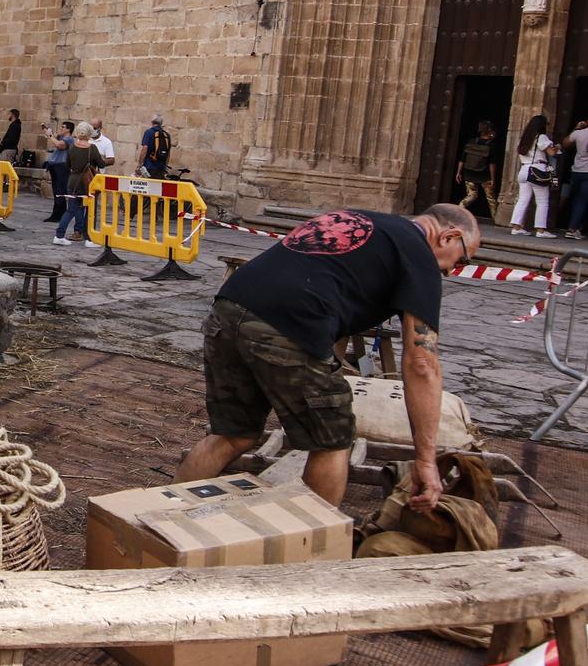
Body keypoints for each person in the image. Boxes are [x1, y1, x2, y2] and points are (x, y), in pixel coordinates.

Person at [176, 204, 481, 509]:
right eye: (463, 258)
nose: (454, 270)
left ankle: (156, 521)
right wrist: (426, 461)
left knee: (233, 434)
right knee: (333, 441)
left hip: (229, 306)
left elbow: (328, 286)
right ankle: (314, 548)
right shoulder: (420, 257)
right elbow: (422, 363)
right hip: (289, 323)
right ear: (448, 237)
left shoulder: (361, 217)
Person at [507, 113, 558, 237]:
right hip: (537, 169)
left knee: (523, 199)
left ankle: (516, 227)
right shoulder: (541, 137)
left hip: (524, 169)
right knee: (542, 200)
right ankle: (541, 230)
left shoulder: (524, 139)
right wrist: (557, 147)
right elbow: (551, 153)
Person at [53, 123, 102, 245]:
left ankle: (59, 235)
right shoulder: (92, 148)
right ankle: (89, 238)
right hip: (87, 182)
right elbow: (101, 164)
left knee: (71, 210)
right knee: (91, 210)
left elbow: (67, 164)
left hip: (73, 180)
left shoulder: (72, 147)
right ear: (89, 133)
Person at [455, 119, 499, 222]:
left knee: (471, 195)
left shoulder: (471, 142)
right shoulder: (491, 145)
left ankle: (458, 211)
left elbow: (462, 158)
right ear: (490, 131)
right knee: (491, 198)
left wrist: (458, 172)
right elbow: (492, 164)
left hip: (469, 172)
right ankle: (496, 219)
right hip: (485, 175)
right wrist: (493, 179)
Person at [44, 120, 72, 222]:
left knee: (60, 191)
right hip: (55, 166)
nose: (61, 128)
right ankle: (57, 214)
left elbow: (60, 145)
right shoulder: (62, 137)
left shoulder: (69, 139)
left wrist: (50, 136)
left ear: (68, 129)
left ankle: (59, 214)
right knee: (56, 191)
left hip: (62, 167)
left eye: (63, 127)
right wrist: (48, 131)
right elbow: (55, 137)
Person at [135, 114, 173, 179]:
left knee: (147, 187)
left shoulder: (149, 132)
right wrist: (165, 167)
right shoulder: (167, 135)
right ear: (161, 123)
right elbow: (168, 154)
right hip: (161, 168)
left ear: (152, 122)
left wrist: (139, 165)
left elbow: (145, 148)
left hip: (149, 167)